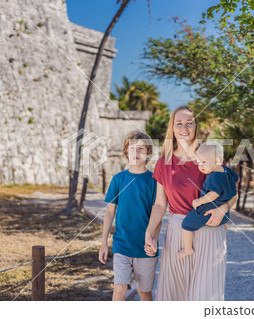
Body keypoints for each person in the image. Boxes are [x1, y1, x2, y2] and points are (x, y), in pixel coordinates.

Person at [144, 105, 238, 301]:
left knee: (206, 294)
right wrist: (149, 233)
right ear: (172, 128)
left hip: (211, 230)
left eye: (189, 123)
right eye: (179, 124)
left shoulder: (209, 156)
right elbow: (160, 205)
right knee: (175, 293)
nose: (184, 128)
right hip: (178, 230)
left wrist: (224, 208)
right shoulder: (163, 163)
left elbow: (232, 193)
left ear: (196, 126)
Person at [98, 131, 158, 301]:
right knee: (119, 290)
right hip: (122, 243)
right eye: (132, 148)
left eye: (141, 149)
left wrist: (153, 240)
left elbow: (157, 214)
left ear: (148, 153)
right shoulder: (119, 179)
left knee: (144, 293)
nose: (136, 153)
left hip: (146, 247)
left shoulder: (154, 181)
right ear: (126, 152)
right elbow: (110, 212)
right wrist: (104, 243)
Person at [177, 142, 239, 259]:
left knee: (186, 225)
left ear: (216, 161)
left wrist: (199, 201)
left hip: (208, 210)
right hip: (225, 215)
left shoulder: (214, 176)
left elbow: (213, 194)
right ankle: (223, 229)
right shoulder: (227, 171)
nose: (200, 166)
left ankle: (187, 249)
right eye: (199, 162)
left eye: (204, 162)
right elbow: (237, 178)